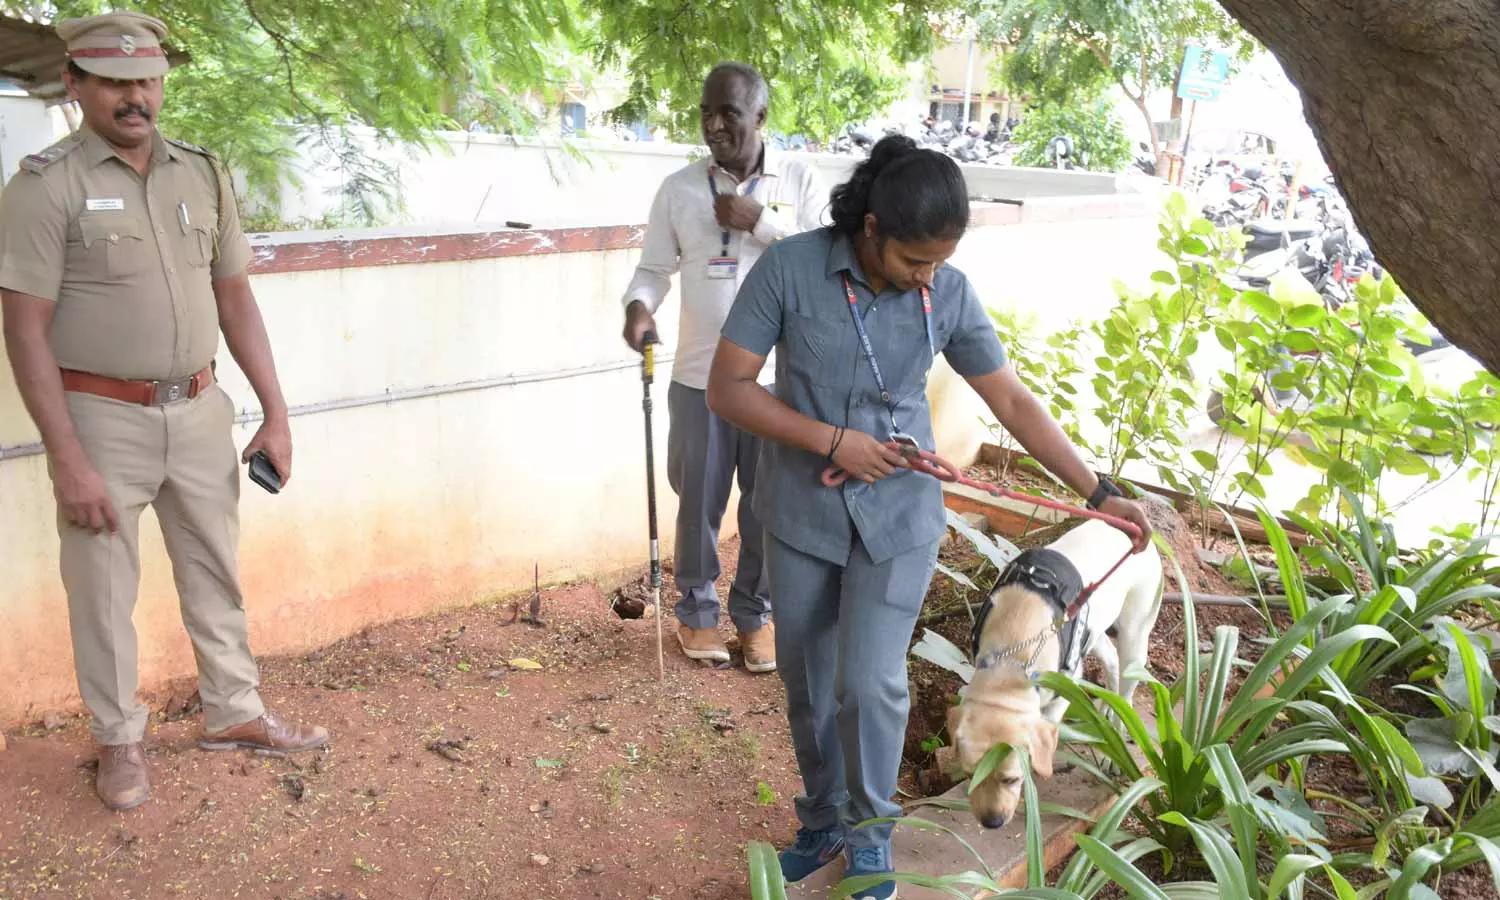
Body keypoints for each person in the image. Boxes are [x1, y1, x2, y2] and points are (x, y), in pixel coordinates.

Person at [705, 135, 1152, 896]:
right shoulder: (791, 269)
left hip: (898, 515)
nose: (928, 276)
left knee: (870, 683)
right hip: (802, 509)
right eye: (916, 260)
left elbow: (1009, 397)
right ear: (871, 228)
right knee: (808, 680)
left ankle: (872, 837)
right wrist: (832, 438)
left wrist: (1097, 490)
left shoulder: (947, 293)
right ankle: (822, 822)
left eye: (940, 261)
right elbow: (728, 387)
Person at [0, 11, 326, 811]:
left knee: (216, 566)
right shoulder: (45, 185)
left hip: (202, 407)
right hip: (100, 417)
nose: (133, 96)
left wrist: (275, 411)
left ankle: (234, 712)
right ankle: (118, 742)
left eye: (145, 79)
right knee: (104, 588)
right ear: (76, 84)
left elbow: (236, 297)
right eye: (113, 81)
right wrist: (68, 456)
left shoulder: (200, 173)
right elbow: (24, 327)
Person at [620, 62, 827, 673]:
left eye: (729, 113)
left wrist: (757, 221)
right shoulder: (680, 189)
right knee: (699, 501)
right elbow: (653, 269)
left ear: (760, 117)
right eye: (706, 111)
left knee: (768, 505)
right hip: (699, 379)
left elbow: (822, 257)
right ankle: (697, 614)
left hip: (777, 383)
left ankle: (755, 617)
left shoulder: (799, 177)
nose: (714, 125)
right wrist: (638, 309)